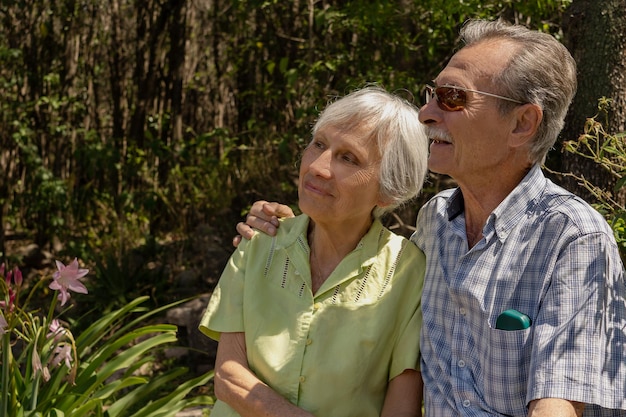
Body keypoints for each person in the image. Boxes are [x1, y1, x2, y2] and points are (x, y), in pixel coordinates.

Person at [235, 19, 626, 417]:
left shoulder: (574, 238)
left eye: (452, 97)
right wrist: (283, 227)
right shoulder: (435, 222)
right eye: (431, 95)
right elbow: (354, 266)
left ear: (522, 124)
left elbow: (556, 410)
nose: (425, 113)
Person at [200, 86, 430, 417]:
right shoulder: (260, 239)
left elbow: (401, 406)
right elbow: (226, 377)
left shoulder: (408, 271)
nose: (318, 167)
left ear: (388, 190)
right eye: (319, 144)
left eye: (348, 158)